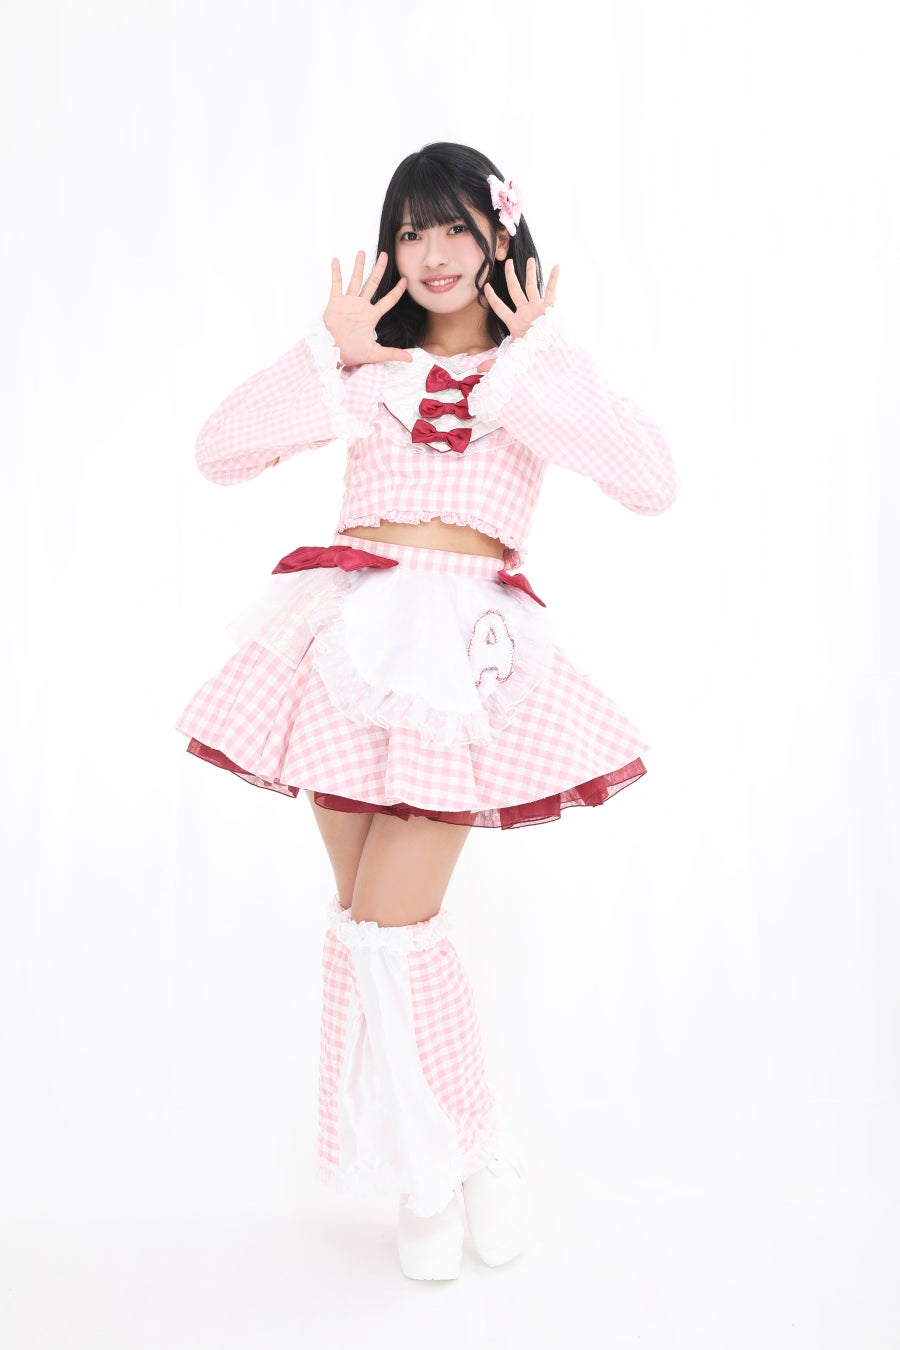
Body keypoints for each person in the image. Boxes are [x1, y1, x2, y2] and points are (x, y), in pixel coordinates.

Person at [175, 141, 681, 1281]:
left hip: (458, 657)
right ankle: (443, 1166)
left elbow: (652, 481)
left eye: (456, 227)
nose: (434, 252)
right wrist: (324, 351)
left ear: (501, 234)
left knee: (394, 924)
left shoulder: (529, 377)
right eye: (413, 231)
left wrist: (547, 360)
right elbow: (218, 452)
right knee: (366, 926)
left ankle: (461, 1154)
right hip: (346, 643)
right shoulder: (369, 373)